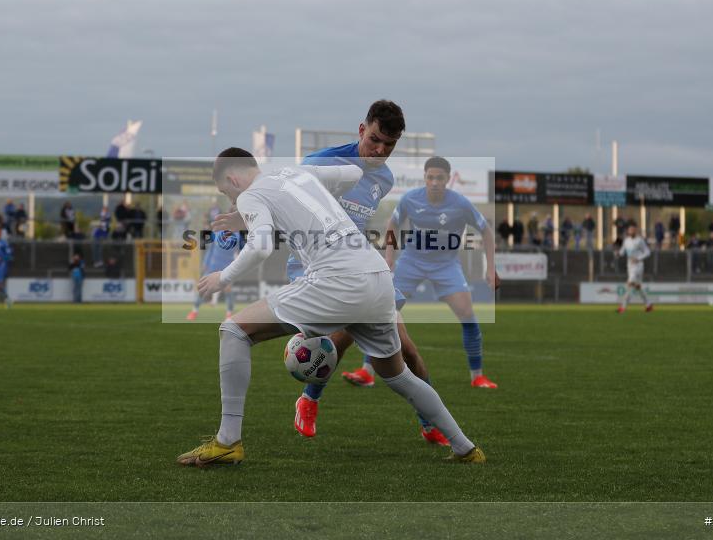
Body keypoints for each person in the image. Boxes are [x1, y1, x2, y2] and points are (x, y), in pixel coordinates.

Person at [177, 148, 485, 467]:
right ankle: (466, 447)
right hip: (377, 277)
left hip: (337, 280)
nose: (230, 198)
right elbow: (353, 174)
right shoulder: (298, 172)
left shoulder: (250, 195)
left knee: (234, 331)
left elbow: (261, 246)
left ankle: (228, 441)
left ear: (231, 178)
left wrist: (221, 278)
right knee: (399, 376)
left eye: (226, 191)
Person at [274, 100, 450, 445]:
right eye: (374, 140)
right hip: (314, 266)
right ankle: (309, 399)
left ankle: (430, 423)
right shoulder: (320, 164)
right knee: (348, 325)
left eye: (389, 145)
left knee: (408, 352)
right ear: (361, 129)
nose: (380, 150)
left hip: (359, 266)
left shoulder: (383, 178)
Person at [386, 157, 498, 387]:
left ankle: (477, 376)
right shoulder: (410, 199)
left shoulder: (460, 203)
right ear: (425, 178)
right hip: (412, 260)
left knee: (467, 312)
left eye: (439, 177)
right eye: (430, 177)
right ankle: (367, 371)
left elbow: (486, 231)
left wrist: (491, 269)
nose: (434, 182)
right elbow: (392, 224)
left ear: (448, 179)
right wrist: (389, 259)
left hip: (446, 264)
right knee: (384, 310)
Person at [186, 228, 243, 322]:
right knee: (202, 288)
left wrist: (236, 266)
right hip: (212, 266)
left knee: (228, 290)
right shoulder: (216, 233)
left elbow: (241, 252)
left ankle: (229, 315)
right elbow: (210, 250)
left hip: (227, 268)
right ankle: (194, 311)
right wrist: (205, 263)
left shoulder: (237, 236)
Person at [616, 224, 653, 313]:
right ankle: (648, 305)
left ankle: (623, 307)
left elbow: (648, 252)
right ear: (628, 231)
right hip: (629, 265)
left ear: (635, 231)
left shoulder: (640, 240)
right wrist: (618, 253)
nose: (631, 231)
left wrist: (638, 258)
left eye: (633, 230)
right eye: (630, 230)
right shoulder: (626, 241)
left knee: (630, 283)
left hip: (638, 265)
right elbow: (622, 251)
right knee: (637, 286)